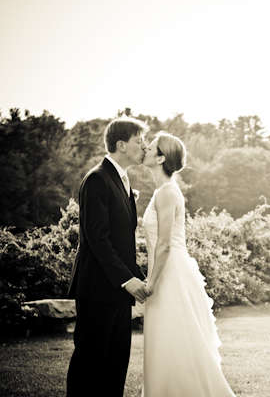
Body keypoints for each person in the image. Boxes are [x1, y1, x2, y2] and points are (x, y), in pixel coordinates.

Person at [141, 131, 236, 396]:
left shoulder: (167, 193)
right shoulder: (163, 191)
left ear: (161, 158)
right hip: (167, 270)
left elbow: (165, 244)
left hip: (170, 274)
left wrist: (151, 283)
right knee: (168, 340)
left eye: (151, 147)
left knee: (173, 338)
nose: (145, 148)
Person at [66, 117, 151, 397]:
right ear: (121, 145)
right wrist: (128, 280)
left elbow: (122, 243)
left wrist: (139, 276)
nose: (144, 147)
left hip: (116, 290)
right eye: (140, 142)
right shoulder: (97, 180)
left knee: (115, 365)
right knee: (90, 363)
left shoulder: (123, 182)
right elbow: (97, 239)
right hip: (97, 288)